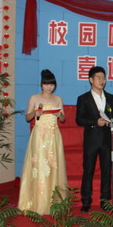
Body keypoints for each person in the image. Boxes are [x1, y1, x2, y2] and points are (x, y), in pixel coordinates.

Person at [18, 69, 67, 215]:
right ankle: (36, 203)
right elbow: (27, 117)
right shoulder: (34, 98)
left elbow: (63, 119)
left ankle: (54, 203)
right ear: (41, 84)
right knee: (38, 166)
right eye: (46, 84)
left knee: (53, 166)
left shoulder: (58, 99)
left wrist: (59, 115)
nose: (49, 87)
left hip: (54, 135)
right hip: (39, 136)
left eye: (51, 84)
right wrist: (35, 113)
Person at [76, 66, 113, 212]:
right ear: (91, 80)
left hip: (106, 140)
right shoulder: (83, 98)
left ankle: (105, 201)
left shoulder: (110, 97)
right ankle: (86, 201)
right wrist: (95, 122)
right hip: (91, 140)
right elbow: (79, 119)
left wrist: (111, 122)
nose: (102, 81)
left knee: (106, 171)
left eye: (103, 78)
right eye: (98, 78)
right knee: (88, 170)